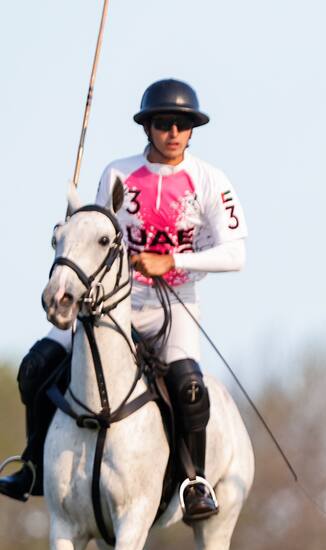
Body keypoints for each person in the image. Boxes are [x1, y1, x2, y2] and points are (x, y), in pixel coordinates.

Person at [0, 79, 247, 522]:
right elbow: (94, 233)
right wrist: (69, 230)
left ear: (193, 130)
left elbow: (236, 254)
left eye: (183, 124)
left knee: (189, 387)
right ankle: (33, 464)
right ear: (147, 127)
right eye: (163, 123)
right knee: (35, 367)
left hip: (176, 304)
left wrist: (172, 260)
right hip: (112, 302)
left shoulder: (210, 181)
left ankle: (193, 482)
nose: (173, 132)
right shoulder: (118, 173)